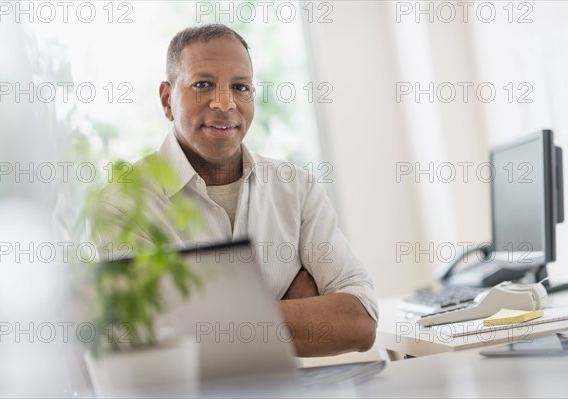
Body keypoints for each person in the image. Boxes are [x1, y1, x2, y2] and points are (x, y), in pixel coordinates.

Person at [97, 24, 378, 357]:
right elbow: (147, 348)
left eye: (240, 87)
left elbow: (359, 322)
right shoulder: (123, 205)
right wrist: (294, 305)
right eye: (203, 85)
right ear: (166, 99)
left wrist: (209, 321)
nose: (225, 103)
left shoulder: (296, 188)